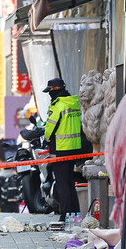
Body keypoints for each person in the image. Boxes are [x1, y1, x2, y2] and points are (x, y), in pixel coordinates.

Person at [43, 77, 82, 222]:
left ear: (55, 90)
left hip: (59, 148)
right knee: (70, 182)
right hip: (74, 147)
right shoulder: (73, 102)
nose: (49, 94)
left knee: (62, 183)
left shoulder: (58, 105)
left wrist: (46, 140)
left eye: (50, 91)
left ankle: (65, 215)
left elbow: (49, 128)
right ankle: (75, 214)